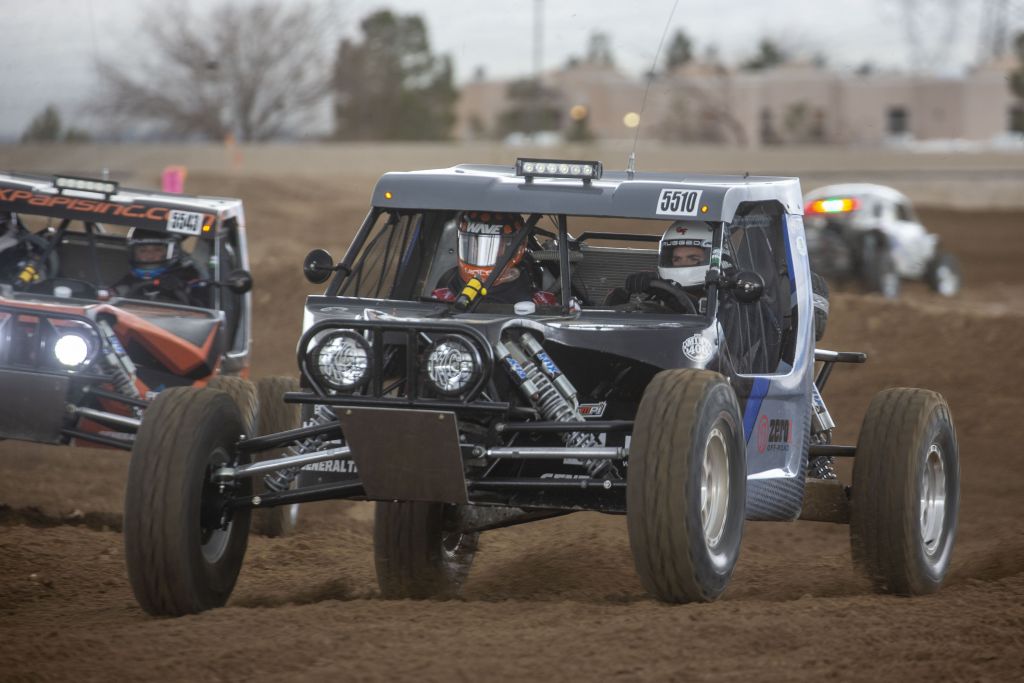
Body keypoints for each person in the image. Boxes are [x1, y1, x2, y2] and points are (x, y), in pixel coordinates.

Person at [431, 211, 556, 306]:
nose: (479, 251)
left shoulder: (540, 304)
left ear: (518, 249)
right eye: (473, 244)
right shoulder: (442, 298)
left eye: (489, 246)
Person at [604, 220, 714, 312]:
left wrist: (668, 294)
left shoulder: (723, 296)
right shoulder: (658, 297)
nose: (683, 264)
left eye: (693, 258)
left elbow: (712, 320)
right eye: (676, 259)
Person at [114, 227, 209, 306]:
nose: (150, 255)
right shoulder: (126, 282)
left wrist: (181, 290)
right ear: (133, 253)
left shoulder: (189, 277)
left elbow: (205, 310)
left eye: (157, 250)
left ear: (170, 252)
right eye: (143, 251)